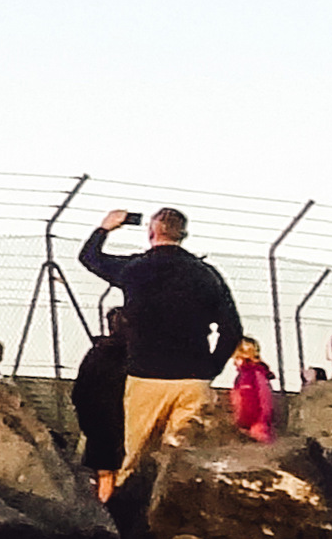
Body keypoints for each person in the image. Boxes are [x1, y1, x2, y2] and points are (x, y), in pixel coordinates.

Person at [79, 207, 243, 485]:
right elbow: (232, 330)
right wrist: (210, 368)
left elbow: (89, 258)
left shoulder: (135, 269)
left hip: (146, 376)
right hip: (193, 379)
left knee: (133, 460)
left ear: (152, 232)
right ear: (184, 234)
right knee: (186, 464)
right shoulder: (206, 274)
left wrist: (105, 227)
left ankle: (126, 518)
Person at [71, 308, 130, 501]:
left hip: (99, 421)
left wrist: (87, 422)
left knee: (103, 472)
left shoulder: (97, 354)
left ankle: (103, 507)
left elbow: (79, 391)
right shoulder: (136, 356)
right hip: (123, 421)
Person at [228, 337, 275, 442]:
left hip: (254, 427)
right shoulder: (250, 374)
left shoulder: (250, 375)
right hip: (255, 425)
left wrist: (244, 422)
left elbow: (251, 402)